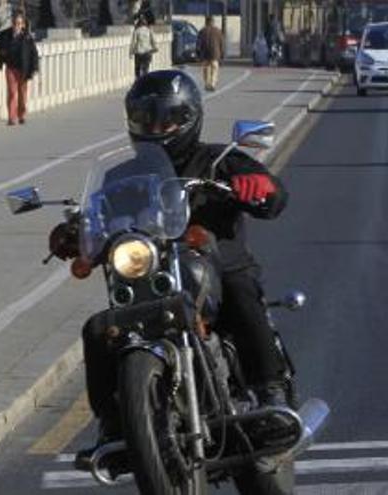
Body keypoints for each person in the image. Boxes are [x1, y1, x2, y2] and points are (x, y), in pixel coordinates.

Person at [46, 70, 289, 471]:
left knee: (241, 289)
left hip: (215, 266)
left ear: (190, 117)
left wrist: (259, 187)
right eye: (146, 120)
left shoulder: (218, 160)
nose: (155, 129)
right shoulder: (119, 177)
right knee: (97, 329)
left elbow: (273, 193)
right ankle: (114, 427)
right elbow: (100, 215)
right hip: (150, 275)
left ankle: (271, 395)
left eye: (166, 120)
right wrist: (75, 233)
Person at [0, 12, 39, 126]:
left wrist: (35, 67)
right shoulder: (7, 34)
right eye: (15, 23)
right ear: (12, 24)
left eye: (20, 23)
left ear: (23, 25)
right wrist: (1, 51)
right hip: (11, 68)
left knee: (22, 93)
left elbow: (34, 53)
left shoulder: (27, 37)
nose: (17, 25)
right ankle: (12, 117)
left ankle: (21, 114)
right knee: (12, 92)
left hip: (24, 69)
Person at [197, 15, 224, 91]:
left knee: (206, 69)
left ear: (206, 22)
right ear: (213, 22)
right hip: (215, 54)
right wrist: (222, 55)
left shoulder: (202, 31)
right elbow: (221, 44)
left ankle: (207, 84)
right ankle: (212, 84)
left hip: (205, 54)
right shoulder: (218, 31)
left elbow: (198, 44)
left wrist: (198, 54)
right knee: (214, 69)